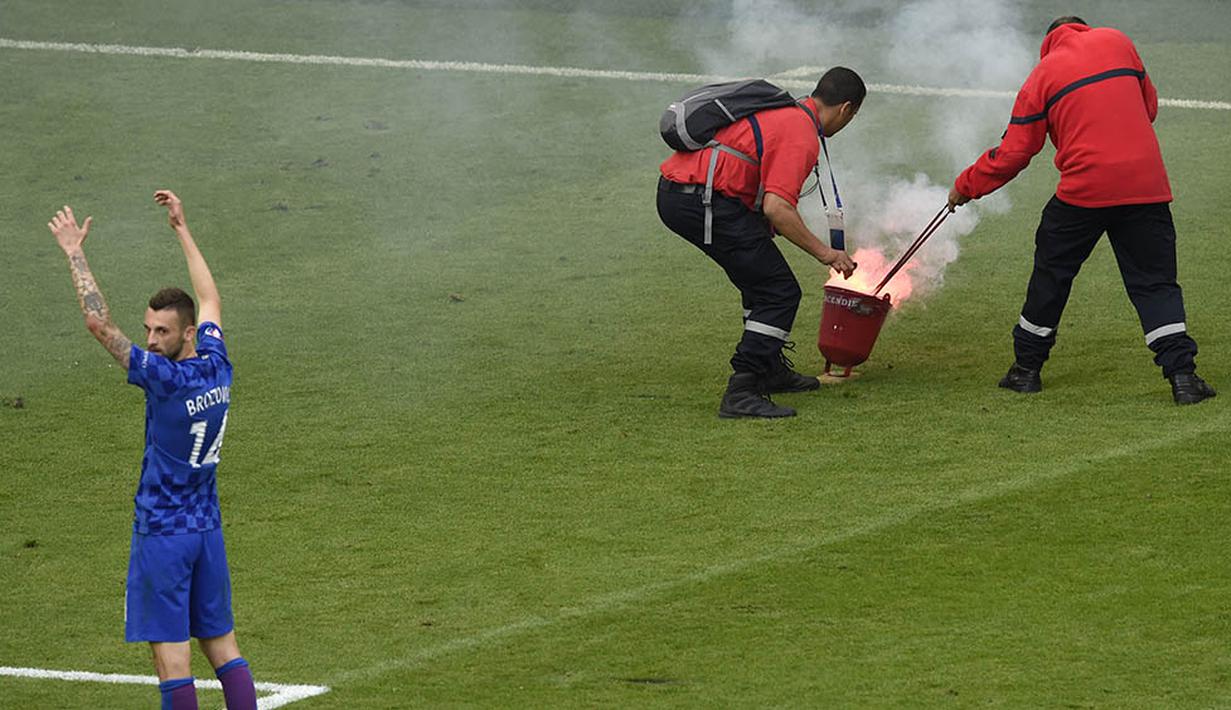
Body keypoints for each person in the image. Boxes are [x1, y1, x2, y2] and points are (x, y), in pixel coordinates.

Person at [49, 191, 258, 710]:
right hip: (207, 528)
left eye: (161, 331)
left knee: (172, 662)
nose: (150, 338)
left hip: (163, 533)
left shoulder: (164, 379)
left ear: (185, 334)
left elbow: (100, 326)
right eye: (148, 328)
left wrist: (75, 252)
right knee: (223, 646)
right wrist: (182, 229)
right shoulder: (217, 363)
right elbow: (211, 300)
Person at [948, 16, 1216, 405]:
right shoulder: (1119, 42)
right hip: (1146, 186)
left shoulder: (1042, 75)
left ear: (1048, 44)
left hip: (1083, 191)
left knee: (1052, 275)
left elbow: (1014, 154)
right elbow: (1149, 108)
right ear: (1084, 29)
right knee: (1155, 283)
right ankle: (1183, 378)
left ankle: (1025, 371)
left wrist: (965, 186)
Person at [658, 67, 863, 419]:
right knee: (778, 290)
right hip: (700, 201)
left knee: (760, 279)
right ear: (846, 109)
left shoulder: (787, 112)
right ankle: (743, 387)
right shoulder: (801, 133)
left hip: (688, 195)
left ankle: (768, 369)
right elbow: (777, 208)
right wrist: (826, 253)